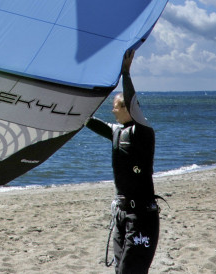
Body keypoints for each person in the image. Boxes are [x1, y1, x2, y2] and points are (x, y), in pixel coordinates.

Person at [85, 50, 159, 273]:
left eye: (115, 106)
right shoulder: (117, 132)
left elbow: (133, 102)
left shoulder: (144, 133)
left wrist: (126, 74)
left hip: (141, 217)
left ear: (126, 107)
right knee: (120, 270)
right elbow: (91, 123)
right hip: (121, 215)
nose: (112, 110)